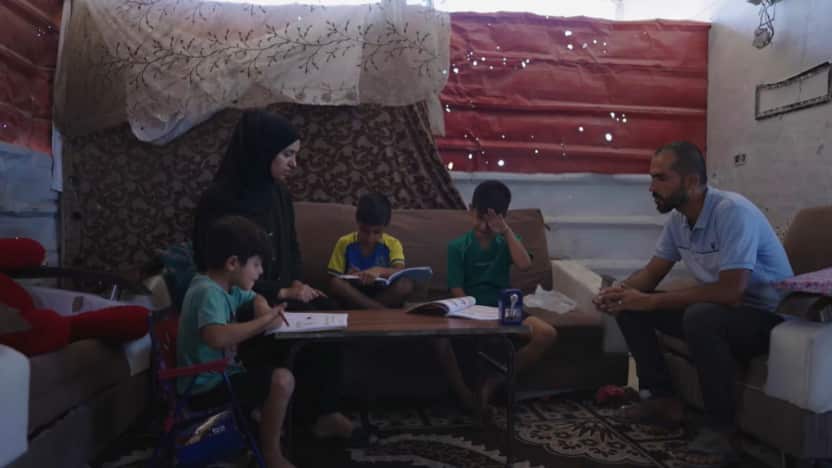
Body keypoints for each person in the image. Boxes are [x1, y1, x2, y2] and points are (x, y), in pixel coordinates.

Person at [593, 141, 793, 468]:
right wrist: (618, 293)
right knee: (630, 306)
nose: (651, 187)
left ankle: (720, 430)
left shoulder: (732, 212)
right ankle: (662, 399)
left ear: (689, 182)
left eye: (660, 178)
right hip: (725, 311)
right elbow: (651, 274)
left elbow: (732, 291)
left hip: (766, 318)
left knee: (701, 317)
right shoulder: (678, 220)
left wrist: (650, 301)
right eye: (651, 178)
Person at [193, 109, 353, 439]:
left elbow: (291, 247)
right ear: (262, 151)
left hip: (279, 294)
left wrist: (294, 282)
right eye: (287, 155)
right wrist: (279, 293)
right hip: (238, 305)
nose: (293, 164)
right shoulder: (220, 200)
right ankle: (298, 418)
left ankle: (322, 414)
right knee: (304, 318)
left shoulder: (278, 193)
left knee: (328, 313)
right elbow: (217, 269)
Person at [177, 215, 295, 468]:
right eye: (256, 264)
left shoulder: (224, 286)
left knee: (274, 359)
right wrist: (264, 322)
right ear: (233, 263)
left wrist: (262, 308)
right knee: (282, 380)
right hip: (203, 386)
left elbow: (254, 296)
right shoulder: (208, 293)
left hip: (221, 375)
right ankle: (271, 454)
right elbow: (216, 336)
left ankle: (255, 423)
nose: (261, 272)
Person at [440, 180, 557, 414]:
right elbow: (456, 288)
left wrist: (504, 230)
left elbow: (524, 264)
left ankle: (495, 381)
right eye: (480, 218)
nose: (484, 226)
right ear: (470, 210)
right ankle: (467, 396)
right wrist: (468, 314)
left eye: (491, 220)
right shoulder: (457, 247)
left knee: (546, 333)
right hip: (469, 310)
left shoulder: (506, 241)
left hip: (504, 309)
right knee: (440, 339)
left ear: (503, 217)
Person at [327, 192, 415, 308]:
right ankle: (378, 310)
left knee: (405, 284)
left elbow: (399, 270)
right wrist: (352, 276)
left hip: (382, 293)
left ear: (385, 226)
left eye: (377, 232)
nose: (370, 238)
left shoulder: (393, 244)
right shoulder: (344, 243)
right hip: (355, 293)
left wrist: (379, 270)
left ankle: (369, 309)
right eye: (364, 231)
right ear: (358, 222)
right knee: (336, 283)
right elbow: (333, 278)